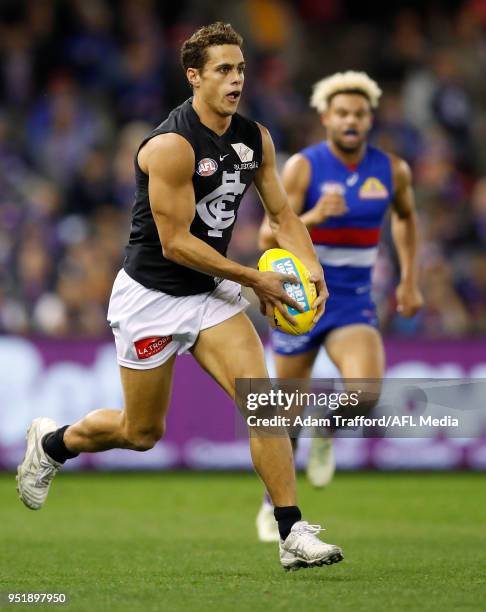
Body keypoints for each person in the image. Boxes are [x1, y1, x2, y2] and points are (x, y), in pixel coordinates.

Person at [16, 22, 344, 572]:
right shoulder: (170, 146)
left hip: (210, 294)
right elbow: (175, 244)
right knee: (141, 433)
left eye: (240, 69)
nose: (235, 79)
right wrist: (254, 278)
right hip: (151, 297)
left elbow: (283, 215)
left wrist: (311, 267)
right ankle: (53, 444)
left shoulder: (253, 138)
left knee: (262, 403)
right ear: (194, 76)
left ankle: (291, 532)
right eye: (222, 70)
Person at [256, 71, 423, 542]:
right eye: (342, 113)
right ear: (326, 118)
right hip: (302, 297)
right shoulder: (303, 168)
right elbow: (268, 235)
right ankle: (274, 507)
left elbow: (407, 219)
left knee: (366, 392)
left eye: (360, 113)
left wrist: (409, 279)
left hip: (351, 300)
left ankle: (326, 430)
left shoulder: (393, 170)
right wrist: (312, 217)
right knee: (282, 415)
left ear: (370, 118)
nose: (351, 120)